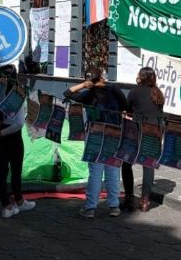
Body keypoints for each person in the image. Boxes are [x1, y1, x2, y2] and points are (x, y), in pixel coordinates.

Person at [64, 65, 127, 218]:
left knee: (95, 172)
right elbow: (126, 107)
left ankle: (90, 208)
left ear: (88, 80)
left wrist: (83, 85)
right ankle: (114, 206)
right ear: (101, 76)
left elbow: (67, 93)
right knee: (112, 171)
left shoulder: (88, 94)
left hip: (94, 135)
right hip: (114, 134)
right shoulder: (115, 90)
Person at [0, 64, 36, 218]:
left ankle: (8, 205)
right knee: (16, 171)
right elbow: (19, 123)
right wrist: (2, 132)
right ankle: (15, 202)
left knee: (1, 172)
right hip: (12, 137)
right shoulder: (16, 94)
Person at [124, 66, 164, 212]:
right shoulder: (158, 93)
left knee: (127, 162)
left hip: (137, 130)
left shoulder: (135, 91)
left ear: (140, 77)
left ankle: (128, 197)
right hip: (155, 131)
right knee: (148, 165)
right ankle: (145, 201)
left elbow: (127, 109)